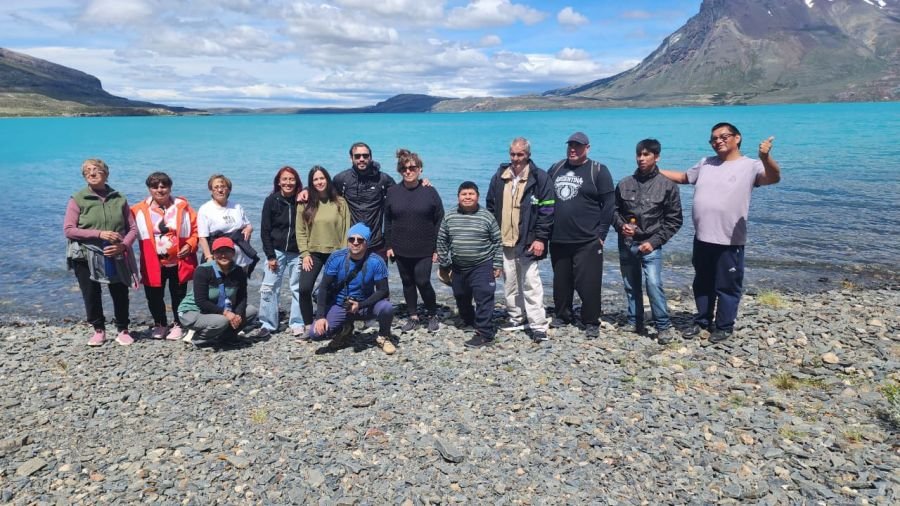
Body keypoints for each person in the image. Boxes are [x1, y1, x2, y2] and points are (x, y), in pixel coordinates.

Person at [660, 123, 781, 343]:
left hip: (729, 240)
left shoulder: (750, 165)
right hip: (702, 237)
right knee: (702, 282)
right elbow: (684, 177)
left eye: (723, 136)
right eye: (714, 139)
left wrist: (765, 157)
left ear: (737, 138)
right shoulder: (706, 163)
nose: (718, 141)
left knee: (727, 285)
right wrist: (653, 170)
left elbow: (773, 177)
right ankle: (702, 321)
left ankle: (724, 326)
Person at [613, 139, 683, 344]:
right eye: (639, 154)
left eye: (646, 155)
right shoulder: (625, 183)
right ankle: (634, 321)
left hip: (651, 244)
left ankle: (663, 326)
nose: (641, 158)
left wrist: (654, 242)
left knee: (653, 284)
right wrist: (621, 226)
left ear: (656, 157)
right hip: (627, 242)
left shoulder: (667, 185)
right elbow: (614, 211)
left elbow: (674, 220)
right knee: (630, 284)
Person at [63, 158, 139, 346]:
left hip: (115, 251)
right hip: (85, 254)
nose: (92, 173)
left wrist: (124, 245)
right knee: (91, 293)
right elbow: (69, 230)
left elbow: (133, 228)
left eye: (96, 169)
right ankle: (99, 330)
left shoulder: (119, 198)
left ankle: (123, 329)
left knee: (120, 291)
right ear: (84, 176)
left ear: (106, 174)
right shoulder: (77, 199)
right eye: (87, 171)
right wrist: (99, 233)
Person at [486, 137, 554, 344]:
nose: (516, 158)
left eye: (520, 154)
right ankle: (516, 317)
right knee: (510, 281)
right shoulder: (500, 176)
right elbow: (490, 205)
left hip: (529, 240)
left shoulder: (540, 177)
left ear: (528, 155)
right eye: (513, 154)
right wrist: (492, 234)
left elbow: (548, 210)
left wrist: (541, 238)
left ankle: (538, 325)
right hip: (504, 238)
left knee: (531, 282)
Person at [548, 132, 615, 338]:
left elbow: (609, 204)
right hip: (558, 237)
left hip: (587, 239)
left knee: (589, 284)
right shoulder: (556, 168)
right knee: (561, 282)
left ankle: (591, 321)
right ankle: (563, 315)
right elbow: (544, 197)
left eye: (578, 146)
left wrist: (602, 233)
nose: (573, 149)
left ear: (587, 148)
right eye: (570, 145)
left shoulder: (598, 170)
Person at [308, 223, 396, 355]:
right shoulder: (336, 258)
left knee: (387, 307)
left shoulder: (377, 261)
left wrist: (361, 304)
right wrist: (320, 316)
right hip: (340, 305)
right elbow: (324, 287)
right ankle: (344, 329)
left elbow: (383, 290)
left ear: (367, 243)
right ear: (347, 241)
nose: (355, 243)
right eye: (351, 239)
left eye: (360, 240)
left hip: (365, 305)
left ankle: (384, 336)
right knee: (315, 334)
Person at [131, 171, 199, 341]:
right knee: (154, 295)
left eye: (164, 186)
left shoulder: (182, 207)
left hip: (179, 261)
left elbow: (197, 229)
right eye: (155, 186)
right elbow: (127, 230)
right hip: (152, 262)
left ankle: (178, 324)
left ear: (170, 187)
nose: (160, 190)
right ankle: (160, 324)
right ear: (149, 189)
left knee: (179, 294)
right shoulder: (138, 210)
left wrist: (190, 245)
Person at [384, 148, 444, 333]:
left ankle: (432, 314)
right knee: (407, 282)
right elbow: (388, 220)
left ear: (420, 169)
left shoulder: (430, 191)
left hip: (425, 247)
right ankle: (413, 316)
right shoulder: (393, 192)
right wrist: (388, 245)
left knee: (423, 280)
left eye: (412, 168)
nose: (408, 171)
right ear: (399, 170)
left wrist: (438, 248)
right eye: (404, 168)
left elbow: (439, 220)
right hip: (400, 246)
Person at [436, 181, 502, 348]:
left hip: (482, 264)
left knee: (484, 296)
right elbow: (442, 240)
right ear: (458, 197)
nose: (467, 197)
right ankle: (468, 320)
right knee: (461, 295)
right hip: (458, 266)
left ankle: (485, 334)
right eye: (464, 194)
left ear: (477, 196)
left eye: (471, 194)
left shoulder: (487, 216)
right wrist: (444, 264)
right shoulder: (450, 216)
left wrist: (497, 264)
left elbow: (497, 241)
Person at [295, 166, 352, 340]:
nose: (319, 182)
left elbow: (346, 230)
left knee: (335, 290)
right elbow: (300, 231)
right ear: (311, 183)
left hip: (336, 254)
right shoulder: (305, 203)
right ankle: (308, 325)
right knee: (304, 289)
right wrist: (305, 254)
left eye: (322, 178)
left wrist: (344, 254)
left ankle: (338, 324)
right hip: (313, 253)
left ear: (327, 179)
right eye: (315, 179)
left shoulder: (340, 202)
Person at [178, 237, 258, 343]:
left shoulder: (239, 272)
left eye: (227, 251)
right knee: (222, 321)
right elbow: (201, 301)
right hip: (193, 310)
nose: (223, 255)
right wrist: (226, 313)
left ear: (233, 253)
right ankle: (198, 338)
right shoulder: (203, 270)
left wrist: (238, 314)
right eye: (219, 252)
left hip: (217, 309)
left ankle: (224, 337)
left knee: (251, 311)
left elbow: (242, 297)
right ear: (213, 254)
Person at [257, 166, 304, 338]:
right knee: (269, 287)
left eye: (291, 179)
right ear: (278, 182)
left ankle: (297, 323)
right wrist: (270, 255)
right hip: (276, 251)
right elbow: (265, 230)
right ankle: (267, 323)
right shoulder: (272, 200)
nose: (288, 182)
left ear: (296, 182)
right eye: (284, 179)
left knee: (298, 288)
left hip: (297, 252)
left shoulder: (302, 200)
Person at [332, 142, 397, 256]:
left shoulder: (383, 179)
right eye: (357, 156)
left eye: (365, 156)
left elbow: (402, 194)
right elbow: (323, 193)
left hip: (376, 243)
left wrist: (421, 183)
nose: (361, 159)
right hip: (352, 242)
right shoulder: (342, 179)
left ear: (370, 157)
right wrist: (306, 190)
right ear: (351, 158)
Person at [197, 174, 257, 273]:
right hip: (220, 258)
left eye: (223, 187)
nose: (220, 190)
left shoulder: (237, 206)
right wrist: (208, 257)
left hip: (241, 258)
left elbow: (247, 224)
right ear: (211, 190)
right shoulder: (205, 209)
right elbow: (202, 237)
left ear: (229, 190)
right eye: (216, 187)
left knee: (241, 282)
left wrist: (249, 229)